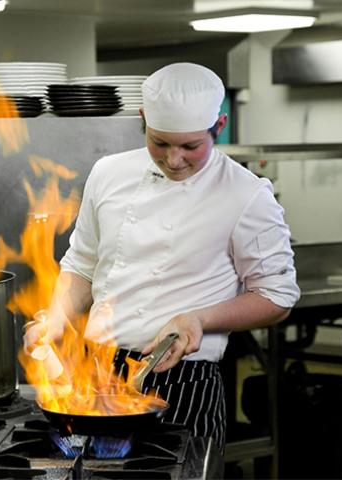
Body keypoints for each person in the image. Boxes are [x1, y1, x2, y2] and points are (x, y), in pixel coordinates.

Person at [25, 62, 300, 450]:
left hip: (184, 382)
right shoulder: (108, 173)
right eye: (160, 143)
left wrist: (199, 319)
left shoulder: (247, 194)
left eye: (191, 146)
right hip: (97, 375)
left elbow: (277, 297)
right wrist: (56, 320)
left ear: (218, 127)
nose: (174, 160)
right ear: (143, 121)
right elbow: (82, 265)